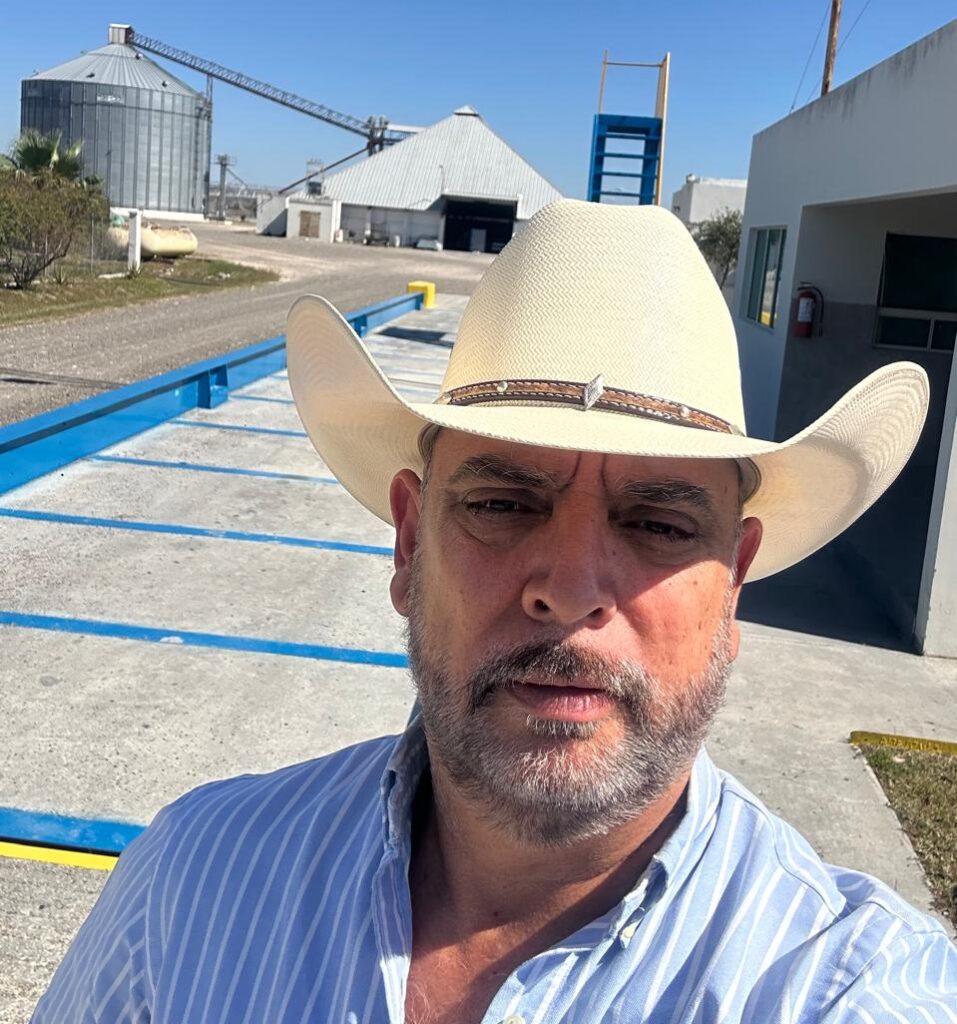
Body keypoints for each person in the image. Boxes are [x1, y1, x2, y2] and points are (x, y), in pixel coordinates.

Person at [34, 200, 956, 1023]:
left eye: (658, 523)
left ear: (735, 584)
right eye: (504, 504)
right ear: (407, 545)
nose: (569, 587)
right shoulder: (194, 882)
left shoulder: (847, 988)